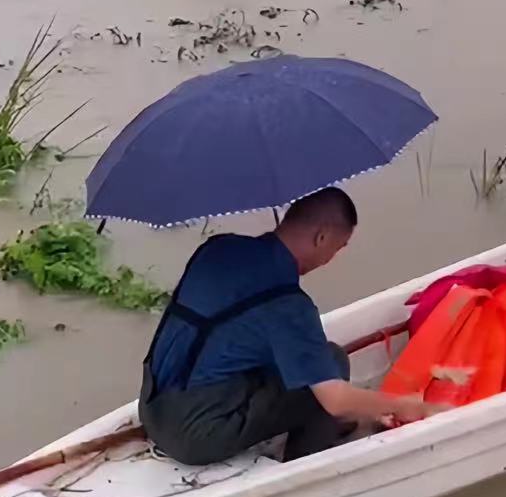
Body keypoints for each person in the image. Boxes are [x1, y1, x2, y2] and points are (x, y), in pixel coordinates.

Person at [140, 187, 428, 466]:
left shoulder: (216, 249)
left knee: (296, 361)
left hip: (152, 407)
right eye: (337, 248)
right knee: (332, 360)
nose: (330, 260)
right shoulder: (288, 306)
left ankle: (328, 423)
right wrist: (405, 406)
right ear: (322, 238)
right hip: (194, 437)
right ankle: (304, 463)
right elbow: (336, 400)